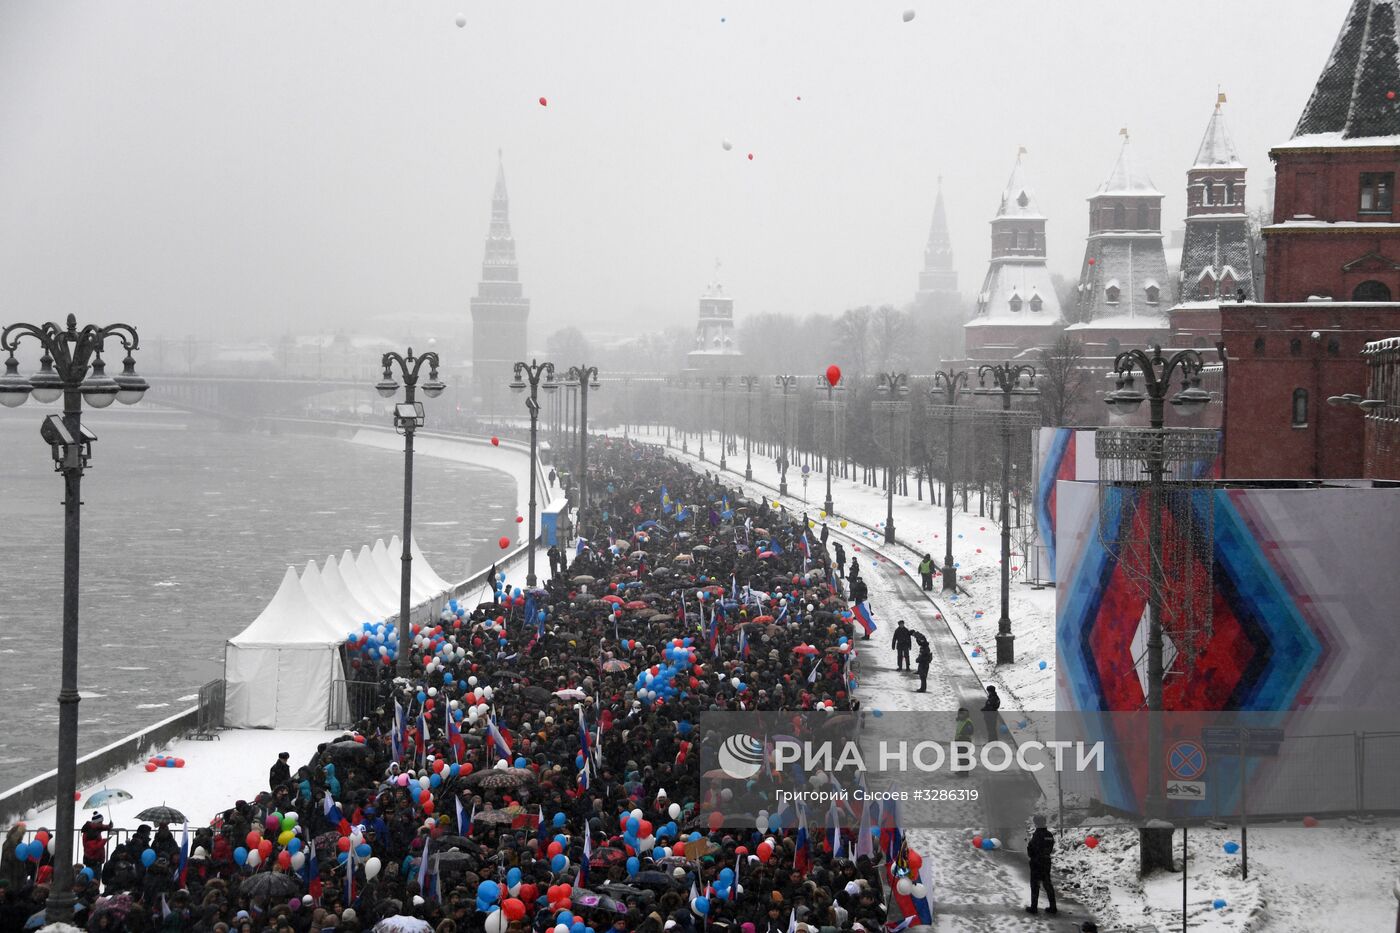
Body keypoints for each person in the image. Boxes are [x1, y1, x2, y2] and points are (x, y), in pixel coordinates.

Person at [1026, 815, 1058, 915]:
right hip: (1046, 861)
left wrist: (1029, 845)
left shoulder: (1036, 835)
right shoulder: (1049, 834)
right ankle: (1053, 907)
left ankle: (1034, 908)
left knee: (1035, 885)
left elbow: (1031, 852)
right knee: (1047, 884)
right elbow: (1050, 848)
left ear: (1036, 823)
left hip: (1036, 863)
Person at [953, 708, 974, 776]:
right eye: (960, 714)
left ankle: (965, 772)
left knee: (964, 756)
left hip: (965, 740)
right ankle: (962, 770)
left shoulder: (968, 722)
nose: (961, 715)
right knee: (961, 756)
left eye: (963, 714)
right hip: (959, 740)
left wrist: (963, 734)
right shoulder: (960, 721)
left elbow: (970, 731)